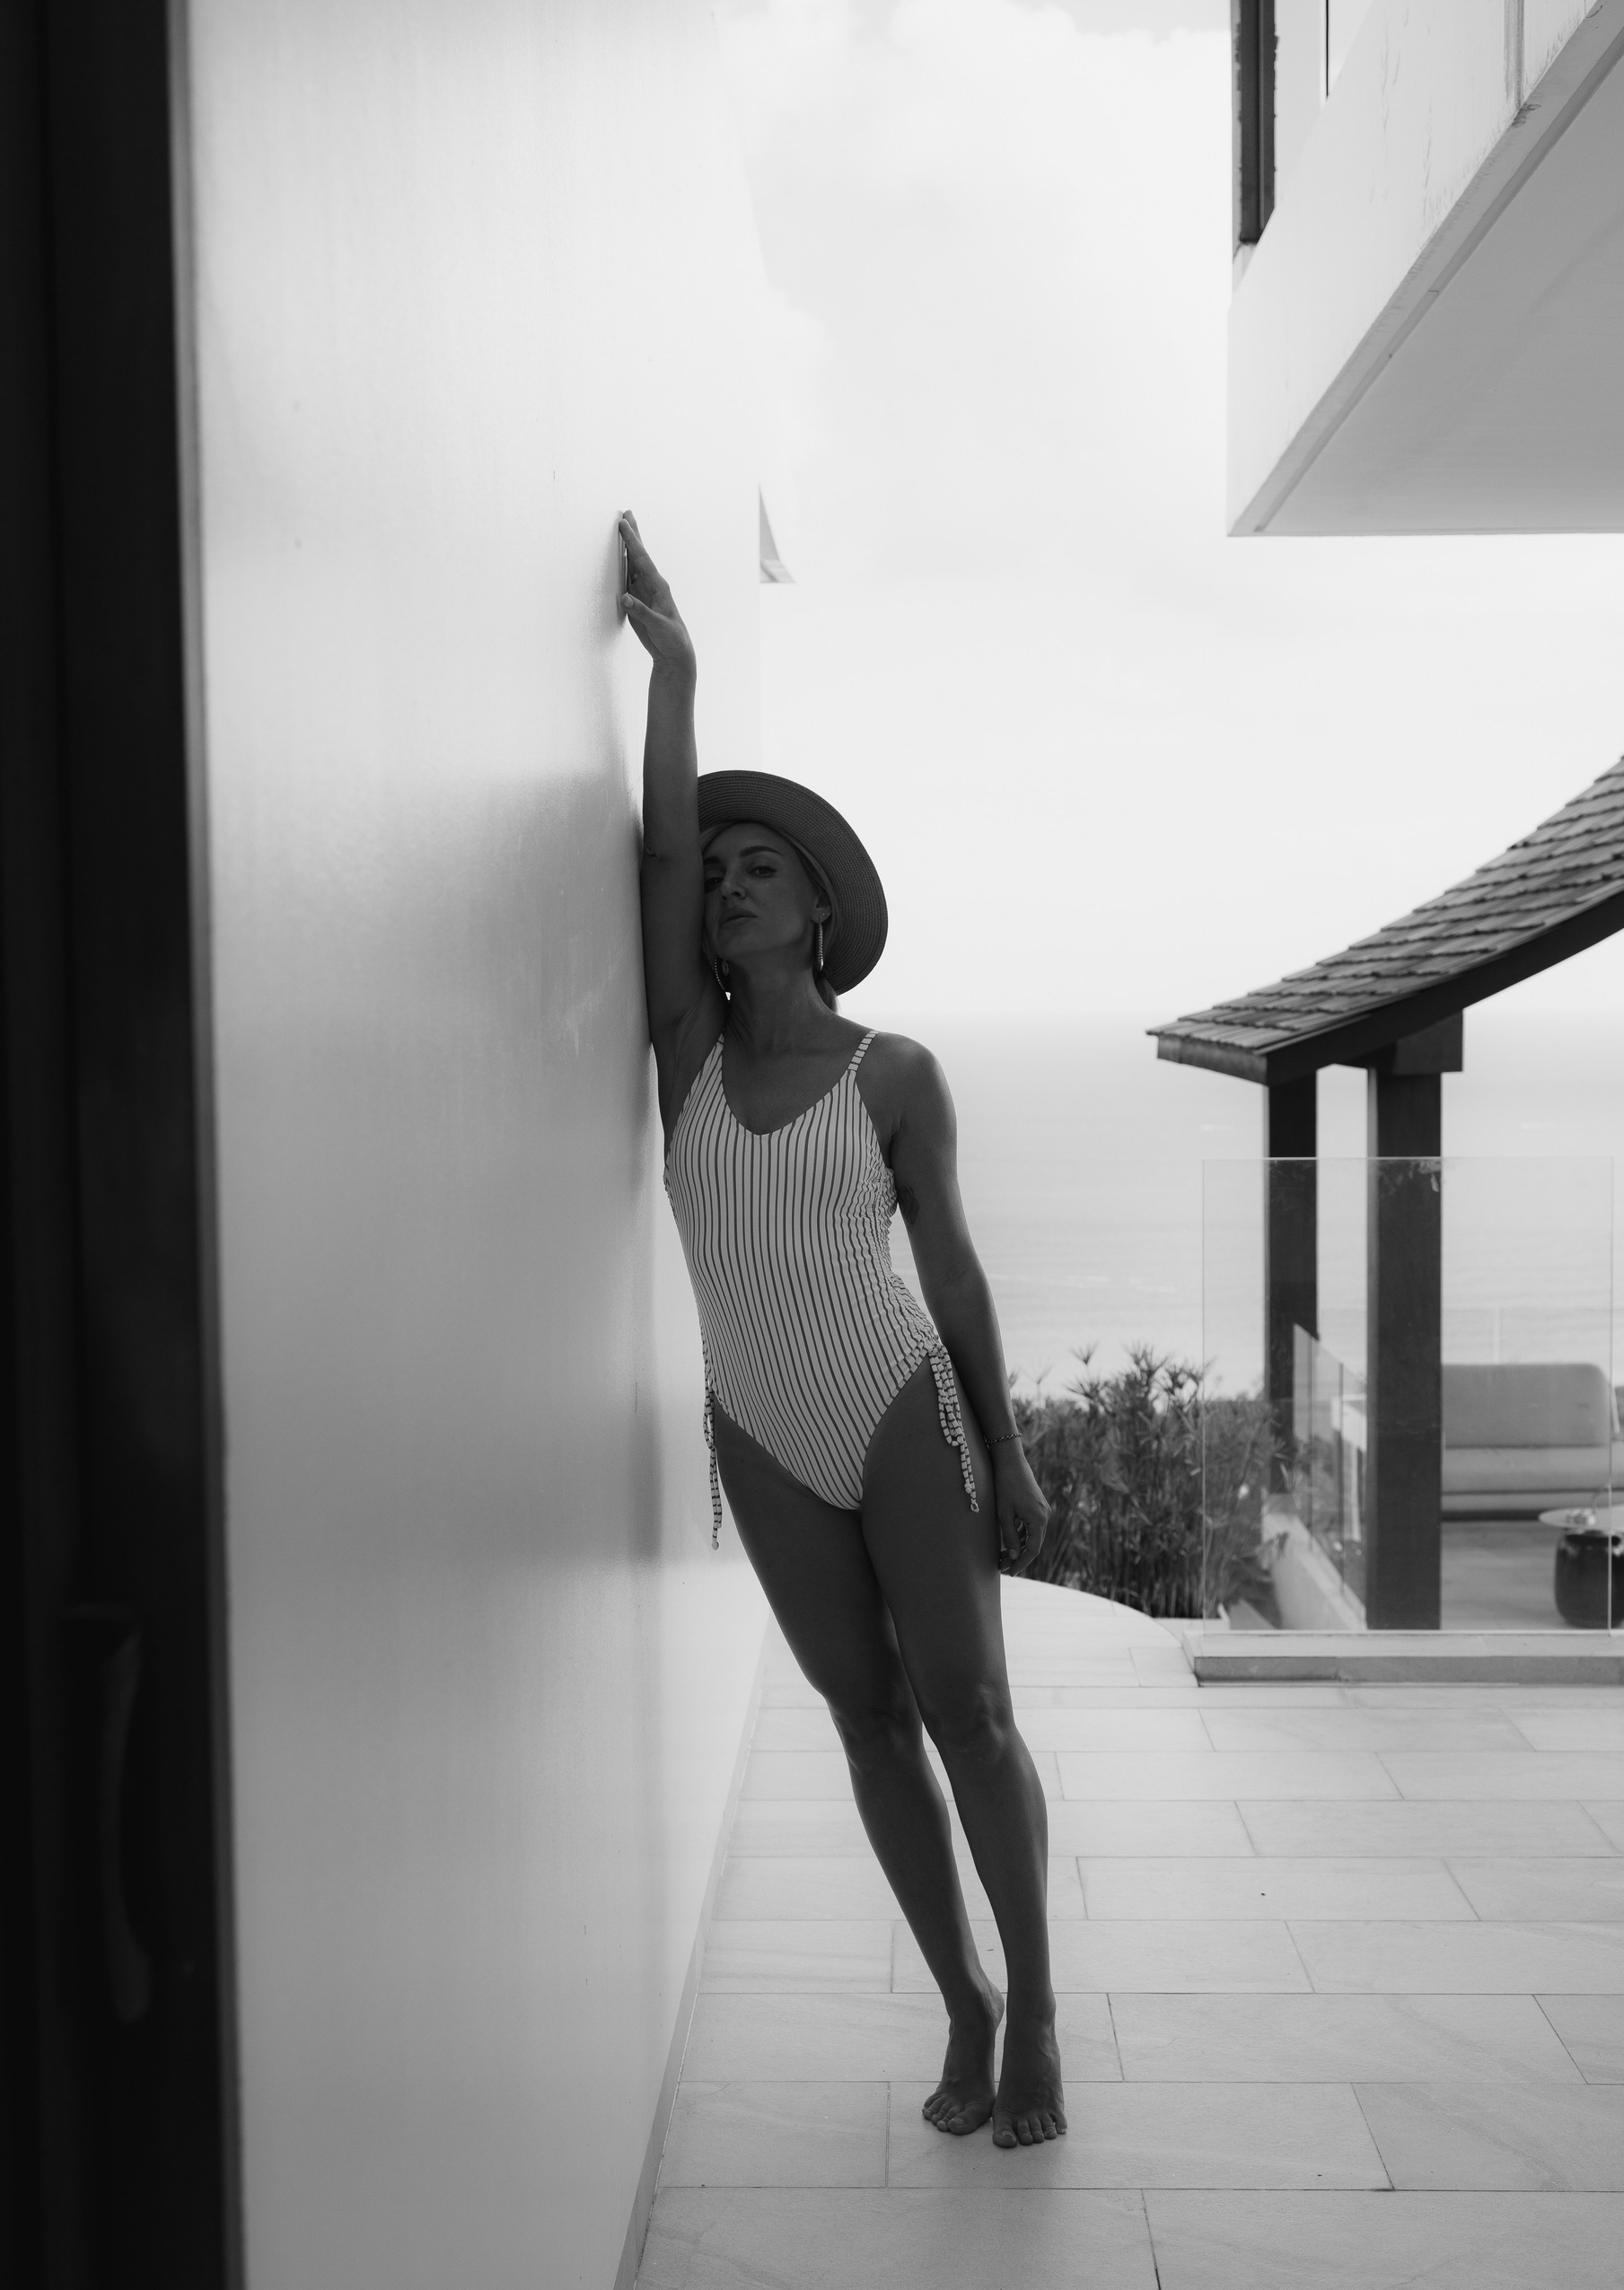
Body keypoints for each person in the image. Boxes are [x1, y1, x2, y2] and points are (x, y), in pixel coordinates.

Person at [620, 513, 1065, 2150]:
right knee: (864, 1719)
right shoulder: (685, 1054)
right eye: (719, 871)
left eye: (763, 870)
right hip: (759, 1426)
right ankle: (963, 1999)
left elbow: (955, 1279)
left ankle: (1040, 2012)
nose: (728, 883)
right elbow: (658, 852)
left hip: (896, 1408)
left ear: (817, 912)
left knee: (971, 1716)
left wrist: (1010, 1453)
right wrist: (676, 671)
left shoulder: (896, 1075)